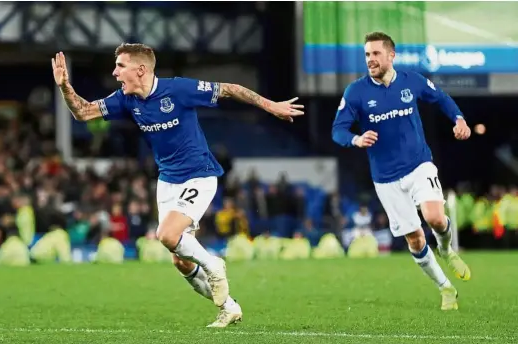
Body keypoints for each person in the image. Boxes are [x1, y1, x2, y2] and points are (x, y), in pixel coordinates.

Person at [51, 43, 304, 327]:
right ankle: (229, 307)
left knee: (167, 235)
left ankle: (213, 265)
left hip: (199, 174)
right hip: (167, 180)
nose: (114, 72)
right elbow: (83, 113)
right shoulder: (125, 98)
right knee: (180, 261)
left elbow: (230, 88)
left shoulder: (179, 90)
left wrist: (271, 106)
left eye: (120, 66)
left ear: (141, 69)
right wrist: (64, 87)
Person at [332, 32, 472, 311]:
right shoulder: (356, 92)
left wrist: (458, 118)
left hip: (419, 164)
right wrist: (356, 139)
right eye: (367, 55)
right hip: (385, 178)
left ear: (390, 55)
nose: (370, 60)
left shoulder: (411, 81)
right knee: (415, 238)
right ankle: (445, 288)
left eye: (375, 54)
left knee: (435, 218)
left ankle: (446, 248)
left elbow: (441, 98)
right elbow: (338, 130)